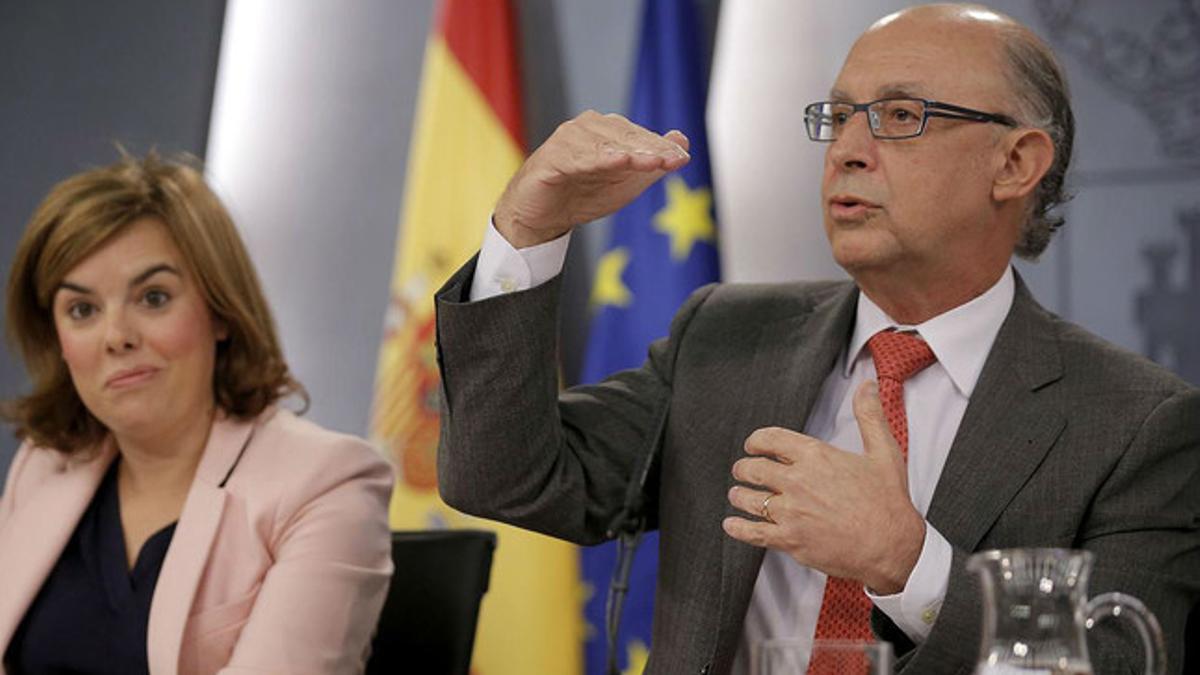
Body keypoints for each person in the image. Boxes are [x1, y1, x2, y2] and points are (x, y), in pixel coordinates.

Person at [434, 3, 1200, 674]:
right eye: (839, 117)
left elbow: (1127, 659)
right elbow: (505, 476)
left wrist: (909, 563)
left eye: (902, 116)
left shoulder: (1137, 423)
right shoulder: (727, 337)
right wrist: (527, 233)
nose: (847, 150)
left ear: (1016, 162)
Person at [0, 153, 394, 674]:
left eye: (154, 297)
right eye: (82, 310)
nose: (117, 336)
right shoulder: (44, 466)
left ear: (220, 312)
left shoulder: (326, 484)